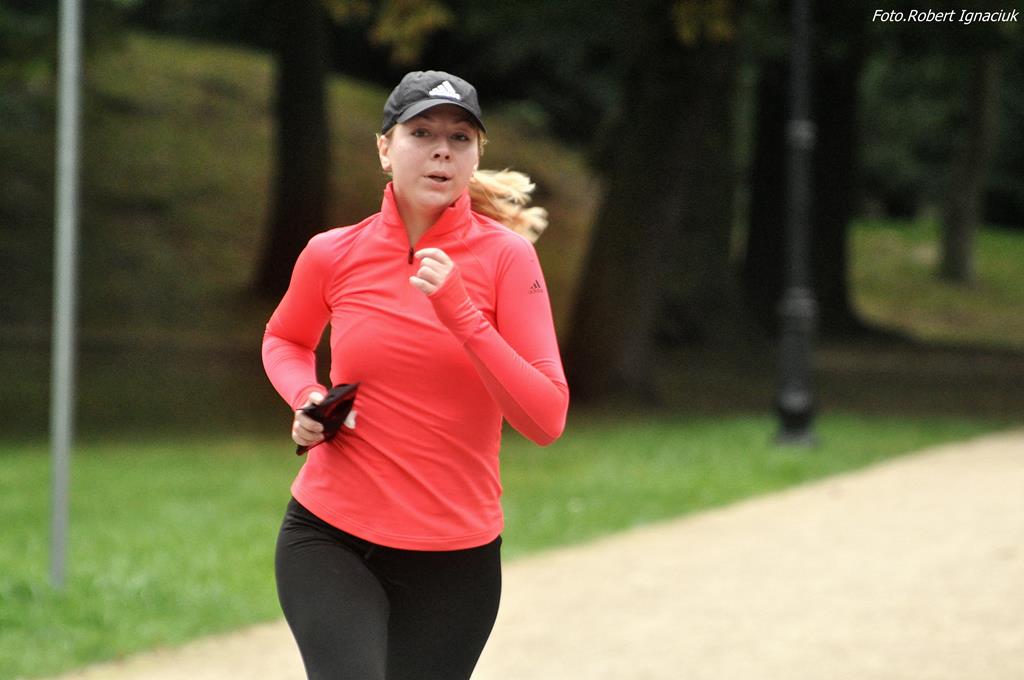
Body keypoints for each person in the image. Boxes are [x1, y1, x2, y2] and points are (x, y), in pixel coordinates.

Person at [262, 70, 569, 680]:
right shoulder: (332, 252)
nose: (441, 150)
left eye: (460, 138)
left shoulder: (509, 259)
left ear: (477, 155)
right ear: (385, 148)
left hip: (456, 559)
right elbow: (285, 339)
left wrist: (463, 316)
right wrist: (307, 395)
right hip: (332, 536)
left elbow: (545, 419)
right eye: (421, 132)